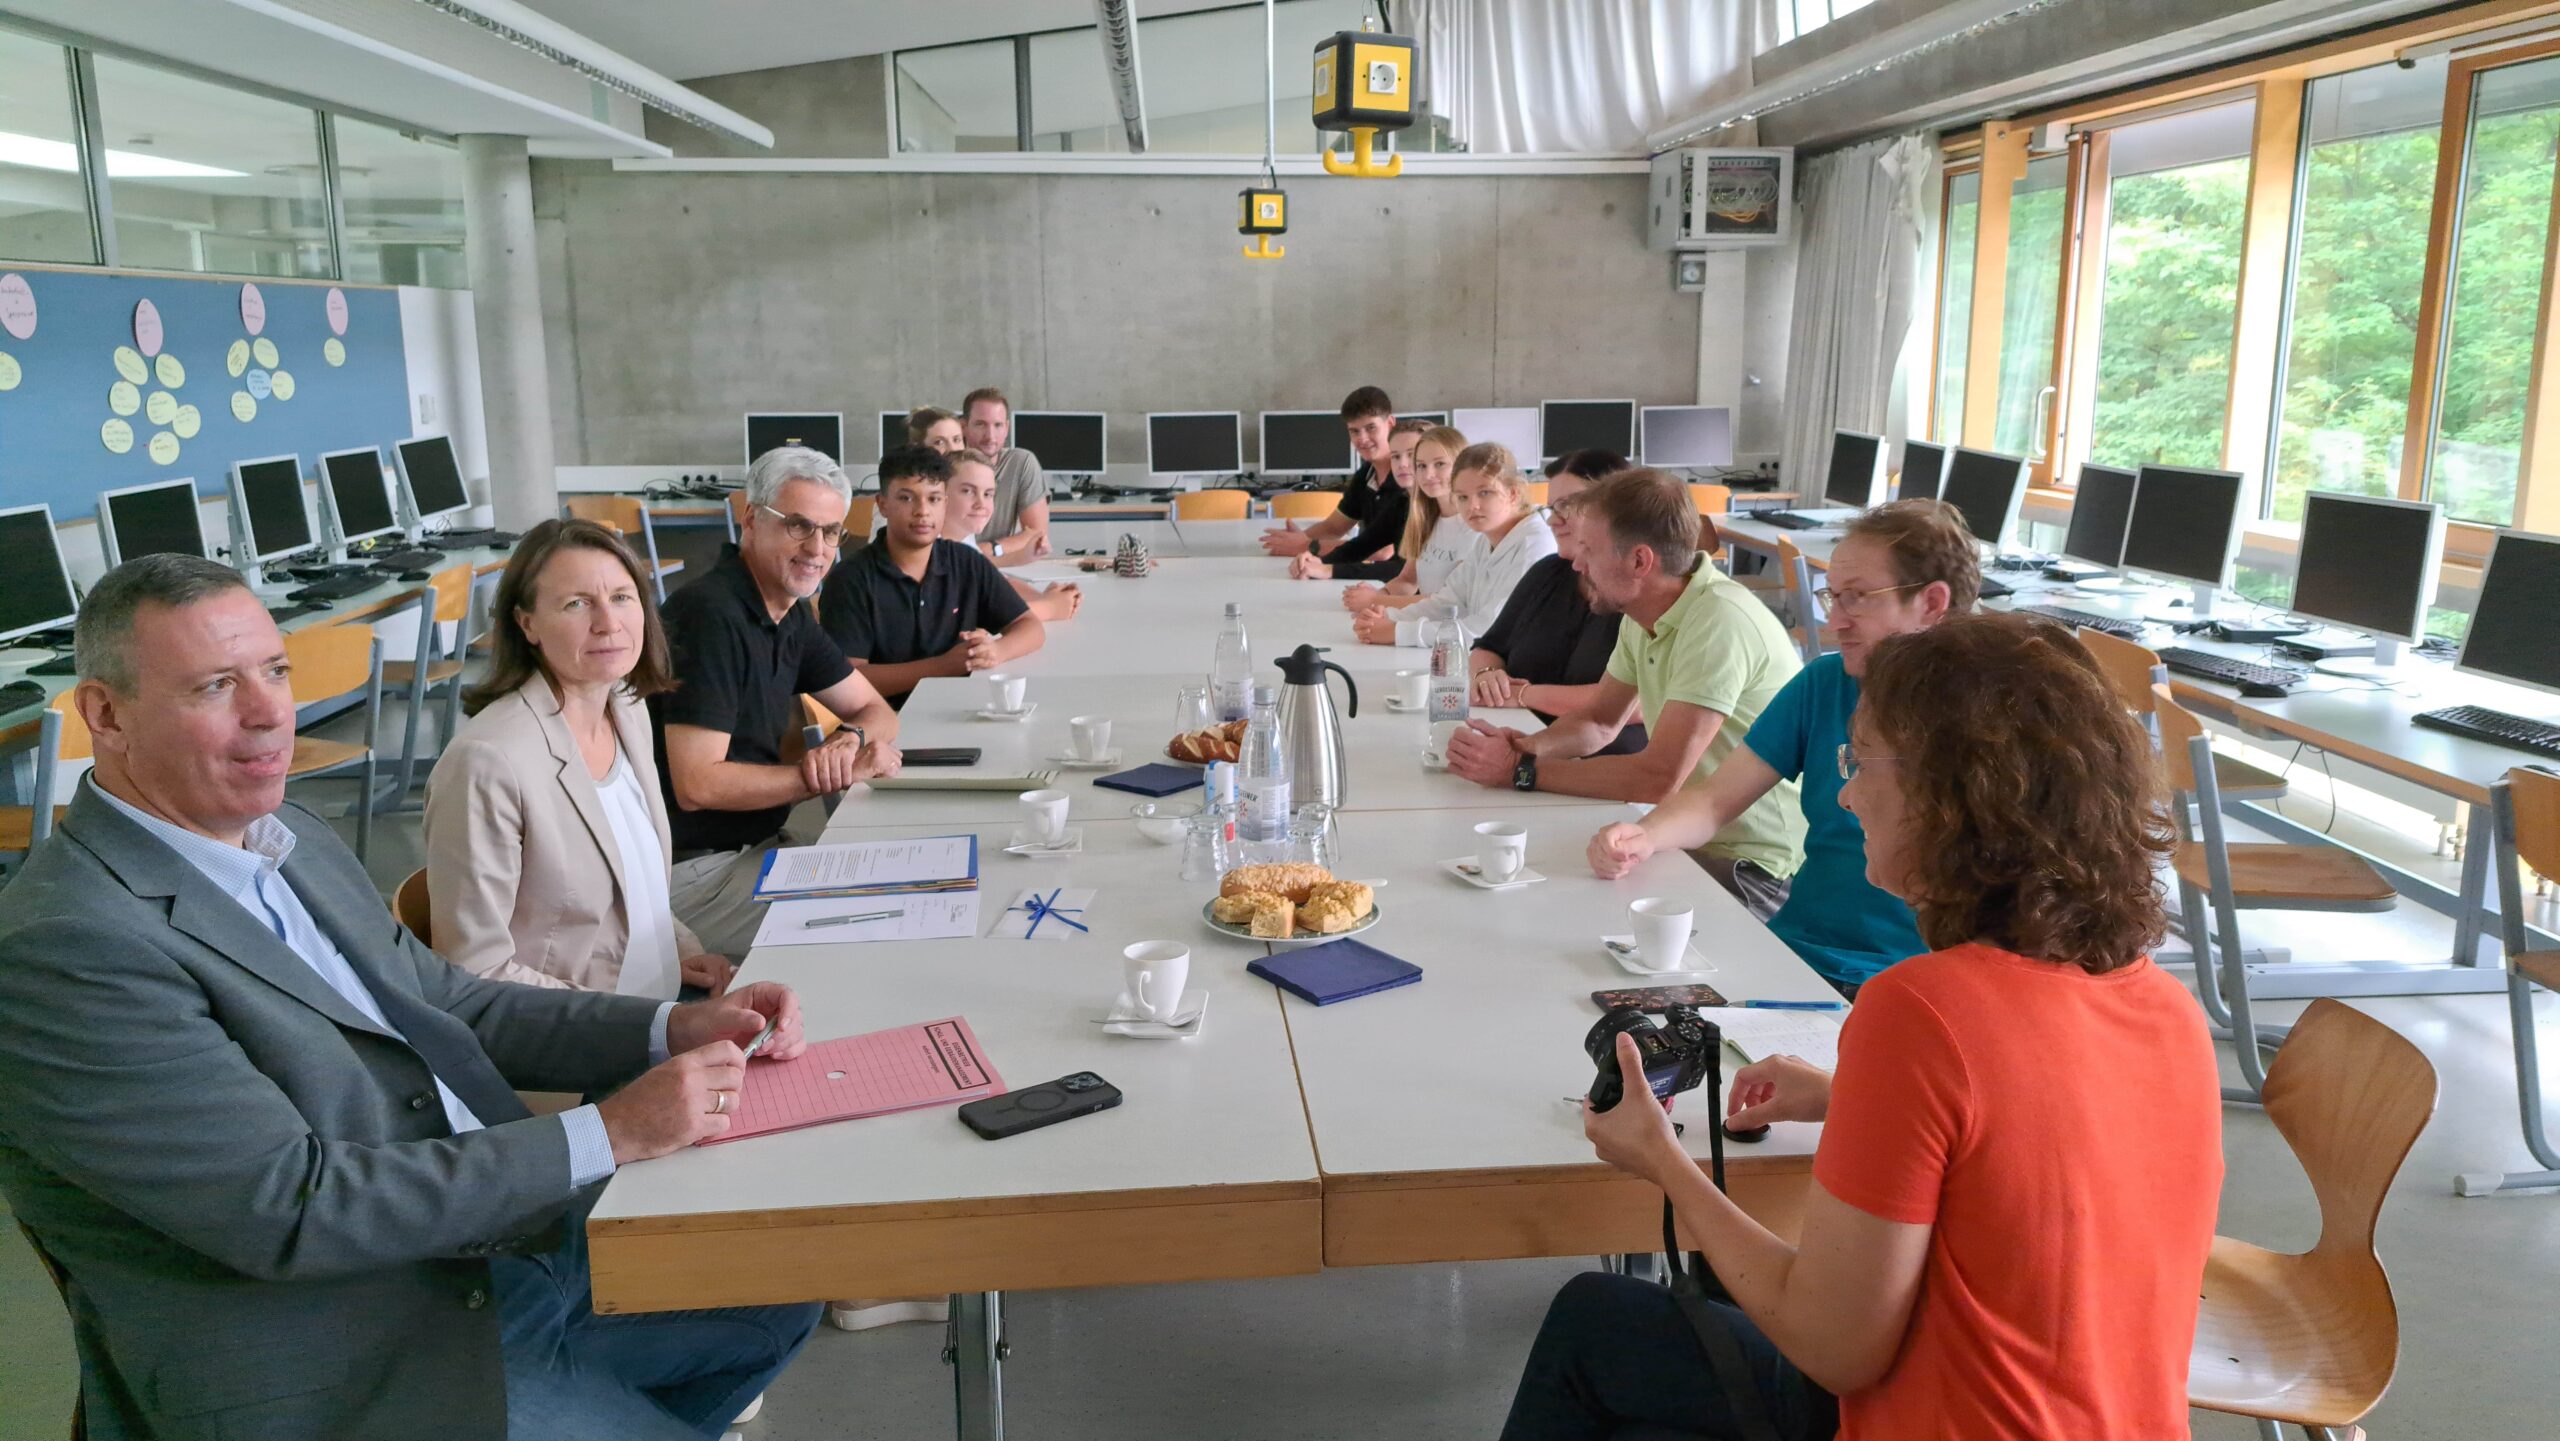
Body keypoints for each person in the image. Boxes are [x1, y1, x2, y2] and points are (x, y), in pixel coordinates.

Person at [0, 553, 824, 1441]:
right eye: (214, 685)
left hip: (482, 1253)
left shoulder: (286, 837)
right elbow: (293, 1205)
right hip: (345, 1353)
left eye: (275, 671)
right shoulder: (66, 947)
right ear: (106, 715)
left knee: (778, 1282)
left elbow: (452, 1003)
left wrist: (668, 1025)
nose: (270, 710)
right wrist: (610, 1131)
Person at [1500, 613, 2221, 1441]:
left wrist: (1662, 1161)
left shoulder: (1922, 1010)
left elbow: (1834, 1350)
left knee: (1598, 1322)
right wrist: (1852, 1101)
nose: (1844, 793)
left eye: (1861, 761)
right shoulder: (2170, 1011)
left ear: (1952, 792)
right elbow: (2028, 1151)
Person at [1588, 500, 1978, 996]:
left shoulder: (1987, 720)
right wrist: (1644, 837)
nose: (1835, 621)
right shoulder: (1825, 683)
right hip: (1794, 950)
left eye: (1857, 598)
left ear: (1932, 603)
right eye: (1832, 597)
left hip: (1908, 979)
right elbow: (1714, 799)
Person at [1445, 468, 1805, 914]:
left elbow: (1658, 778)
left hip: (1748, 866)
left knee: (1546, 909)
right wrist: (1522, 746)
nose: (1576, 564)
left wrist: (1522, 772)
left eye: (1590, 551)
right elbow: (1599, 721)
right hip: (1678, 837)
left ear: (1639, 561)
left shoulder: (1718, 622)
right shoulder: (1648, 611)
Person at [426, 518, 734, 999]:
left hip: (662, 1007)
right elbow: (475, 969)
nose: (607, 623)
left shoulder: (627, 708)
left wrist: (681, 950)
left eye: (621, 597)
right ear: (526, 623)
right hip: (582, 1042)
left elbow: (632, 880)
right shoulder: (487, 763)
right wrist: (651, 1029)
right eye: (577, 604)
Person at [654, 445, 903, 961]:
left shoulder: (787, 612)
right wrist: (824, 776)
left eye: (832, 532)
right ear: (751, 519)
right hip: (689, 878)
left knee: (911, 877)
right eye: (798, 525)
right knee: (891, 915)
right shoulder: (710, 615)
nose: (818, 547)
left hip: (753, 851)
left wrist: (846, 742)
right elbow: (697, 784)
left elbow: (878, 712)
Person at [819, 445, 1045, 702]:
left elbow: (1030, 627)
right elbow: (847, 679)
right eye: (906, 498)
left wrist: (994, 651)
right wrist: (944, 666)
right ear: (882, 504)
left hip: (962, 708)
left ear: (945, 504)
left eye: (934, 498)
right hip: (890, 721)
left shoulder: (966, 562)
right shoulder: (851, 579)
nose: (922, 511)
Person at [1467, 450, 1644, 757]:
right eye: (1552, 507)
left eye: (1569, 505)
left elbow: (1638, 704)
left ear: (1615, 508)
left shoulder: (1637, 590)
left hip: (1600, 763)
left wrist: (1524, 695)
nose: (1554, 520)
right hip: (1524, 742)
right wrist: (1487, 676)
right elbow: (1488, 647)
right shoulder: (1548, 573)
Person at [1351, 442, 1553, 647]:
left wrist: (1397, 631)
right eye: (1463, 497)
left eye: (1485, 493)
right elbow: (1447, 601)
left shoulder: (1533, 546)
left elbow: (1488, 629)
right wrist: (1389, 617)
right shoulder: (1487, 540)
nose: (1472, 506)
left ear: (1513, 494)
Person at [1338, 420, 1464, 611]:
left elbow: (1450, 601)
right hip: (1425, 625)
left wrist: (1376, 601)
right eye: (1421, 466)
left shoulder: (1474, 524)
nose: (1428, 474)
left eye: (1439, 464)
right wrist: (1376, 599)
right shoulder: (1424, 518)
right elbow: (1407, 580)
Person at [1262, 385, 1396, 559]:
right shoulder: (1367, 474)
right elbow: (1334, 527)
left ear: (1391, 424)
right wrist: (1301, 537)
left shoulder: (1407, 475)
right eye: (1354, 431)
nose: (1362, 439)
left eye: (1371, 428)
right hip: (1376, 578)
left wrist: (1308, 545)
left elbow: (1383, 551)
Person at [950, 446, 1081, 622]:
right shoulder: (932, 549)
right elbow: (979, 615)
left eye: (988, 494)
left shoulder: (964, 538)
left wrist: (1045, 598)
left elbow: (996, 584)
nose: (981, 503)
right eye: (967, 491)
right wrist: (1050, 608)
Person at [959, 387, 1050, 566]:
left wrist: (988, 549)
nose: (990, 436)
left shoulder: (1021, 462)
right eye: (981, 424)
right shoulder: (948, 467)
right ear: (963, 426)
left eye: (998, 425)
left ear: (1007, 428)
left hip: (999, 566)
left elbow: (1037, 535)